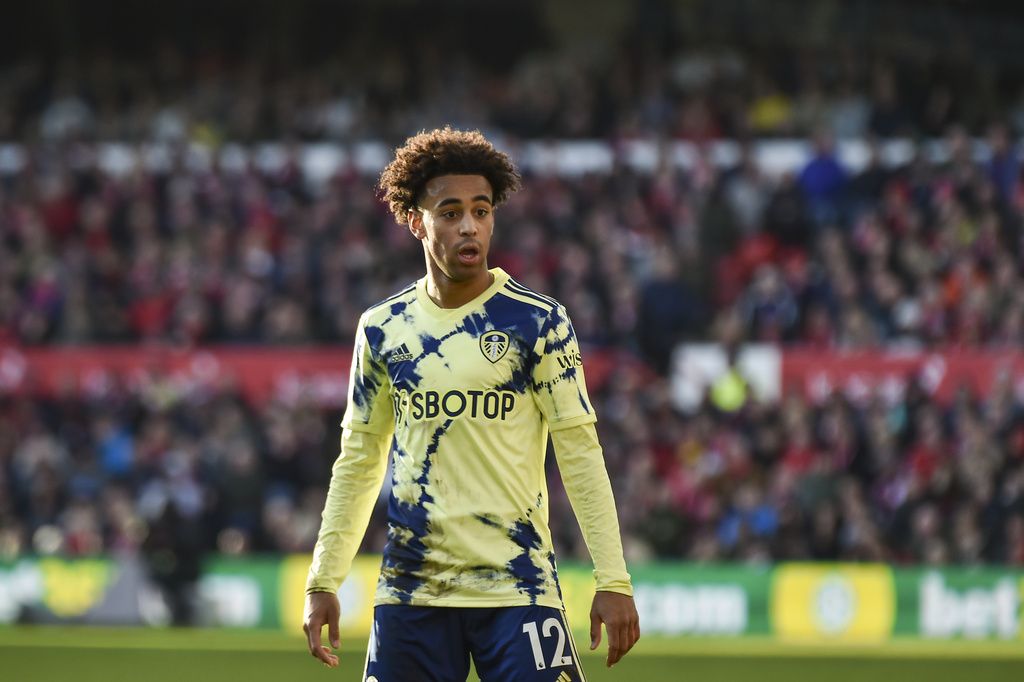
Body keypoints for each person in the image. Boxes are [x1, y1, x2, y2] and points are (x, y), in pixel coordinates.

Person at [302, 126, 639, 680]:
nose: (469, 226)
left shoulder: (538, 323)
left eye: (481, 211)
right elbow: (360, 460)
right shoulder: (383, 329)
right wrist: (323, 579)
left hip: (519, 587)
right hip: (412, 593)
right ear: (416, 221)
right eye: (451, 211)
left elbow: (580, 453)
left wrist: (614, 579)